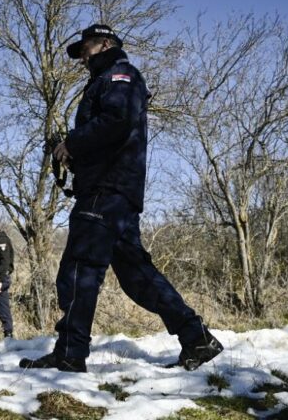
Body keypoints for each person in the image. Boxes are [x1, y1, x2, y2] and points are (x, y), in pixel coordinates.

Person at [19, 24, 223, 373]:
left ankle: (70, 352)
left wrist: (73, 143)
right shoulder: (105, 79)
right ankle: (197, 338)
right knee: (136, 276)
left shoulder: (120, 74)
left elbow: (117, 120)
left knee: (80, 267)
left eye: (85, 48)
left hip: (106, 191)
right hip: (113, 191)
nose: (82, 56)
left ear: (106, 43)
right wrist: (74, 153)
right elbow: (110, 131)